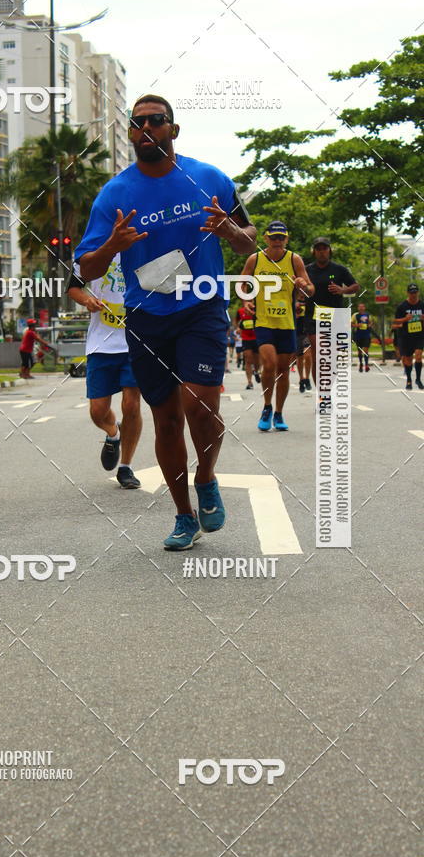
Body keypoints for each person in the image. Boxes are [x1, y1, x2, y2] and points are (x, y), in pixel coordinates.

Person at [74, 93, 256, 550]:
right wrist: (112, 246)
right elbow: (87, 269)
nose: (145, 129)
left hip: (200, 305)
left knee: (202, 405)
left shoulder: (208, 178)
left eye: (156, 121)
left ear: (173, 130)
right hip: (147, 314)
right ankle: (183, 515)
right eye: (137, 123)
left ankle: (207, 477)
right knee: (167, 420)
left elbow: (248, 241)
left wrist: (232, 231)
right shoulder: (115, 193)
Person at [67, 255, 143, 488]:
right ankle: (113, 433)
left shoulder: (142, 241)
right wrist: (87, 300)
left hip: (135, 340)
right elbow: (73, 287)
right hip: (102, 344)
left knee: (131, 405)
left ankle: (126, 467)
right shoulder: (92, 248)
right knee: (97, 412)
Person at [240, 221, 314, 431]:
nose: (277, 241)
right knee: (269, 364)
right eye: (274, 237)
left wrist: (303, 285)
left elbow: (310, 290)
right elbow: (241, 283)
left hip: (287, 323)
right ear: (266, 238)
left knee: (283, 370)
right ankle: (266, 406)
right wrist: (246, 300)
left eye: (281, 237)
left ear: (286, 239)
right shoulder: (255, 259)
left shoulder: (294, 259)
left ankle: (279, 413)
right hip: (263, 322)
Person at [304, 237, 360, 385]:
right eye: (318, 249)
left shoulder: (339, 269)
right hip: (314, 316)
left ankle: (330, 388)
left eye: (324, 249)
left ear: (330, 251)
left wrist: (343, 290)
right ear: (314, 252)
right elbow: (299, 289)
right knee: (319, 353)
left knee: (332, 356)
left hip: (336, 316)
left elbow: (355, 286)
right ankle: (322, 395)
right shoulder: (307, 270)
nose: (322, 252)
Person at [393, 283, 424, 389]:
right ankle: (409, 379)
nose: (413, 295)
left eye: (415, 292)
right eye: (411, 293)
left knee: (419, 355)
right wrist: (405, 319)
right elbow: (396, 320)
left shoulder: (422, 305)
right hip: (405, 336)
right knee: (408, 359)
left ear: (418, 292)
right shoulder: (402, 306)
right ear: (408, 293)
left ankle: (418, 379)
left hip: (419, 335)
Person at [236, 295, 260, 390]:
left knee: (257, 361)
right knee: (248, 360)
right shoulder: (240, 311)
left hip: (257, 338)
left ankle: (256, 371)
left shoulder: (257, 310)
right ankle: (249, 382)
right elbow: (236, 321)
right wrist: (238, 328)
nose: (250, 301)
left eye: (251, 299)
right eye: (248, 300)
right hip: (246, 338)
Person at [295, 297, 312, 393]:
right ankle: (301, 379)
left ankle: (307, 378)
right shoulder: (293, 300)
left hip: (307, 332)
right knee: (299, 357)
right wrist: (296, 310)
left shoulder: (310, 300)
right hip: (297, 332)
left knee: (308, 355)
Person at [351, 302, 373, 372]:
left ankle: (366, 365)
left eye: (362, 306)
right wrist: (357, 325)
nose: (361, 308)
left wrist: (370, 325)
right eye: (359, 307)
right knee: (360, 351)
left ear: (364, 308)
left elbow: (371, 322)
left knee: (366, 350)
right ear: (358, 308)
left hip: (366, 335)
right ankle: (361, 364)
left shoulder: (368, 315)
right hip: (358, 335)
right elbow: (350, 324)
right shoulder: (355, 315)